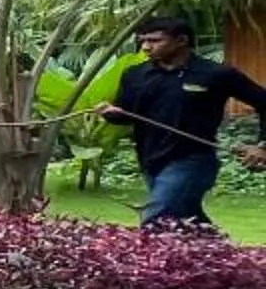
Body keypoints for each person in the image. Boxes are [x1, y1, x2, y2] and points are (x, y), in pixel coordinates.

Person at [99, 14, 266, 230]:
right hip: (150, 160)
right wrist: (110, 113)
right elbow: (125, 115)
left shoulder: (216, 74)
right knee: (187, 220)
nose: (146, 47)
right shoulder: (135, 75)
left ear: (182, 41)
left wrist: (262, 145)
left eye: (155, 40)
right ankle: (219, 254)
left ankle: (144, 263)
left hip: (193, 160)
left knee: (156, 218)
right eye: (143, 41)